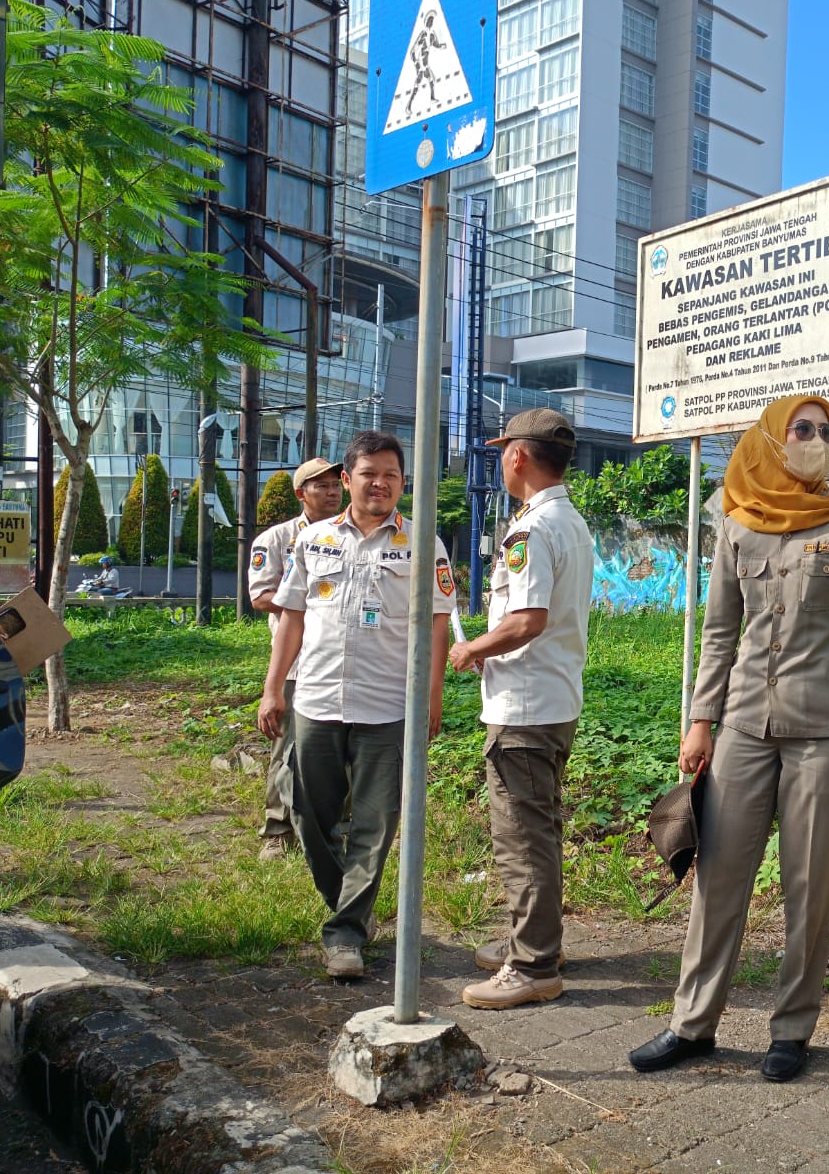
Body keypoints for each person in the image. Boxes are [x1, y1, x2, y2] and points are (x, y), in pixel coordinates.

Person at [627, 394, 829, 1083]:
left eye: (826, 431)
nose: (816, 439)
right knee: (718, 879)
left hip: (828, 730)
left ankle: (792, 1029)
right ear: (772, 440)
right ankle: (692, 1024)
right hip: (746, 726)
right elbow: (720, 630)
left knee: (809, 885)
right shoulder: (737, 526)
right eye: (801, 429)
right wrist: (701, 719)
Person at [256, 431, 453, 979]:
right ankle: (345, 898)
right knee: (307, 812)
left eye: (391, 474)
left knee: (376, 820)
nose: (381, 483)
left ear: (402, 482)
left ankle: (346, 932)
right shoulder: (313, 540)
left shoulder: (424, 543)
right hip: (316, 698)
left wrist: (432, 696)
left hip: (388, 705)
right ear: (347, 480)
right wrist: (274, 688)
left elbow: (437, 625)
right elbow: (291, 617)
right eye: (370, 473)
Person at [448, 407, 593, 1010]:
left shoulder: (531, 530)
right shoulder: (570, 521)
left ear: (517, 457)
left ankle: (533, 966)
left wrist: (470, 648)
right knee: (540, 827)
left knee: (522, 836)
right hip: (551, 698)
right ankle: (535, 941)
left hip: (526, 707)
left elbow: (527, 620)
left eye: (502, 451)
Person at [247, 457, 344, 860]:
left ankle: (331, 829)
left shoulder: (347, 536)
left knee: (338, 752)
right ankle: (277, 830)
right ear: (300, 493)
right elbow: (260, 596)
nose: (332, 492)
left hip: (340, 661)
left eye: (335, 485)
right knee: (287, 747)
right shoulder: (276, 539)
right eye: (320, 486)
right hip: (297, 662)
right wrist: (312, 604)